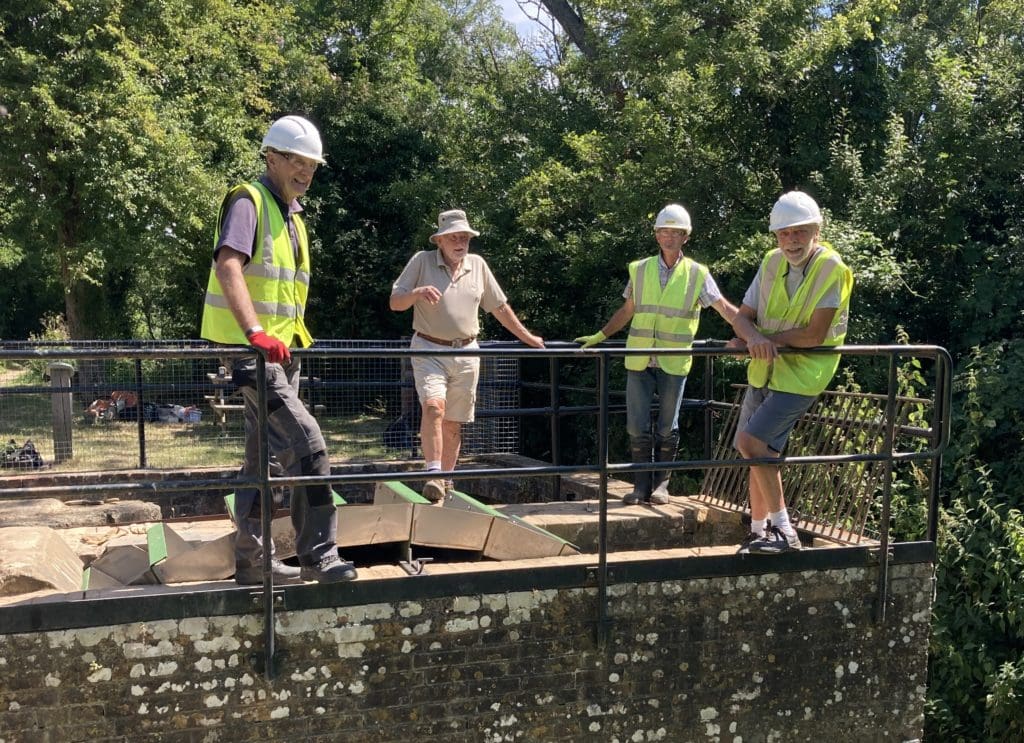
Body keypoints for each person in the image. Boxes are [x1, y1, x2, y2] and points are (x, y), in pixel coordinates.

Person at [200, 115, 357, 584]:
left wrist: (278, 340)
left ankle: (251, 561)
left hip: (280, 354)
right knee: (309, 445)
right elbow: (229, 264)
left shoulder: (291, 216)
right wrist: (255, 332)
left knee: (260, 460)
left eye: (311, 164)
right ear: (270, 156)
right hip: (256, 355)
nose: (305, 172)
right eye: (296, 161)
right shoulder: (250, 201)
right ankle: (319, 556)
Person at [575, 204, 737, 505]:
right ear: (656, 235)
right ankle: (640, 486)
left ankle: (662, 485)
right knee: (636, 424)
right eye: (664, 231)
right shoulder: (640, 269)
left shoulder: (698, 274)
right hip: (639, 358)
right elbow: (628, 311)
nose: (669, 237)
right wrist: (601, 335)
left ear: (685, 237)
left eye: (675, 232)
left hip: (673, 361)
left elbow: (724, 308)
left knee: (667, 425)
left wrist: (751, 335)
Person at [390, 209, 545, 501]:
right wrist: (417, 293)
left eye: (465, 237)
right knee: (434, 407)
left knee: (453, 421)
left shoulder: (478, 265)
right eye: (454, 237)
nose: (461, 242)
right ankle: (432, 474)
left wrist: (527, 337)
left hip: (467, 352)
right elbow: (396, 303)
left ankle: (445, 482)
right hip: (428, 348)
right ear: (440, 241)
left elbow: (499, 307)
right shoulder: (421, 261)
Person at [729, 191, 853, 554]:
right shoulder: (770, 263)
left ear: (817, 230)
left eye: (800, 231)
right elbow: (741, 316)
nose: (792, 240)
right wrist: (752, 338)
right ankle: (758, 530)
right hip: (765, 370)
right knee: (756, 453)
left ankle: (784, 532)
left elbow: (815, 334)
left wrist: (760, 340)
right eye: (784, 233)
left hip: (803, 375)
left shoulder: (832, 268)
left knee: (749, 443)